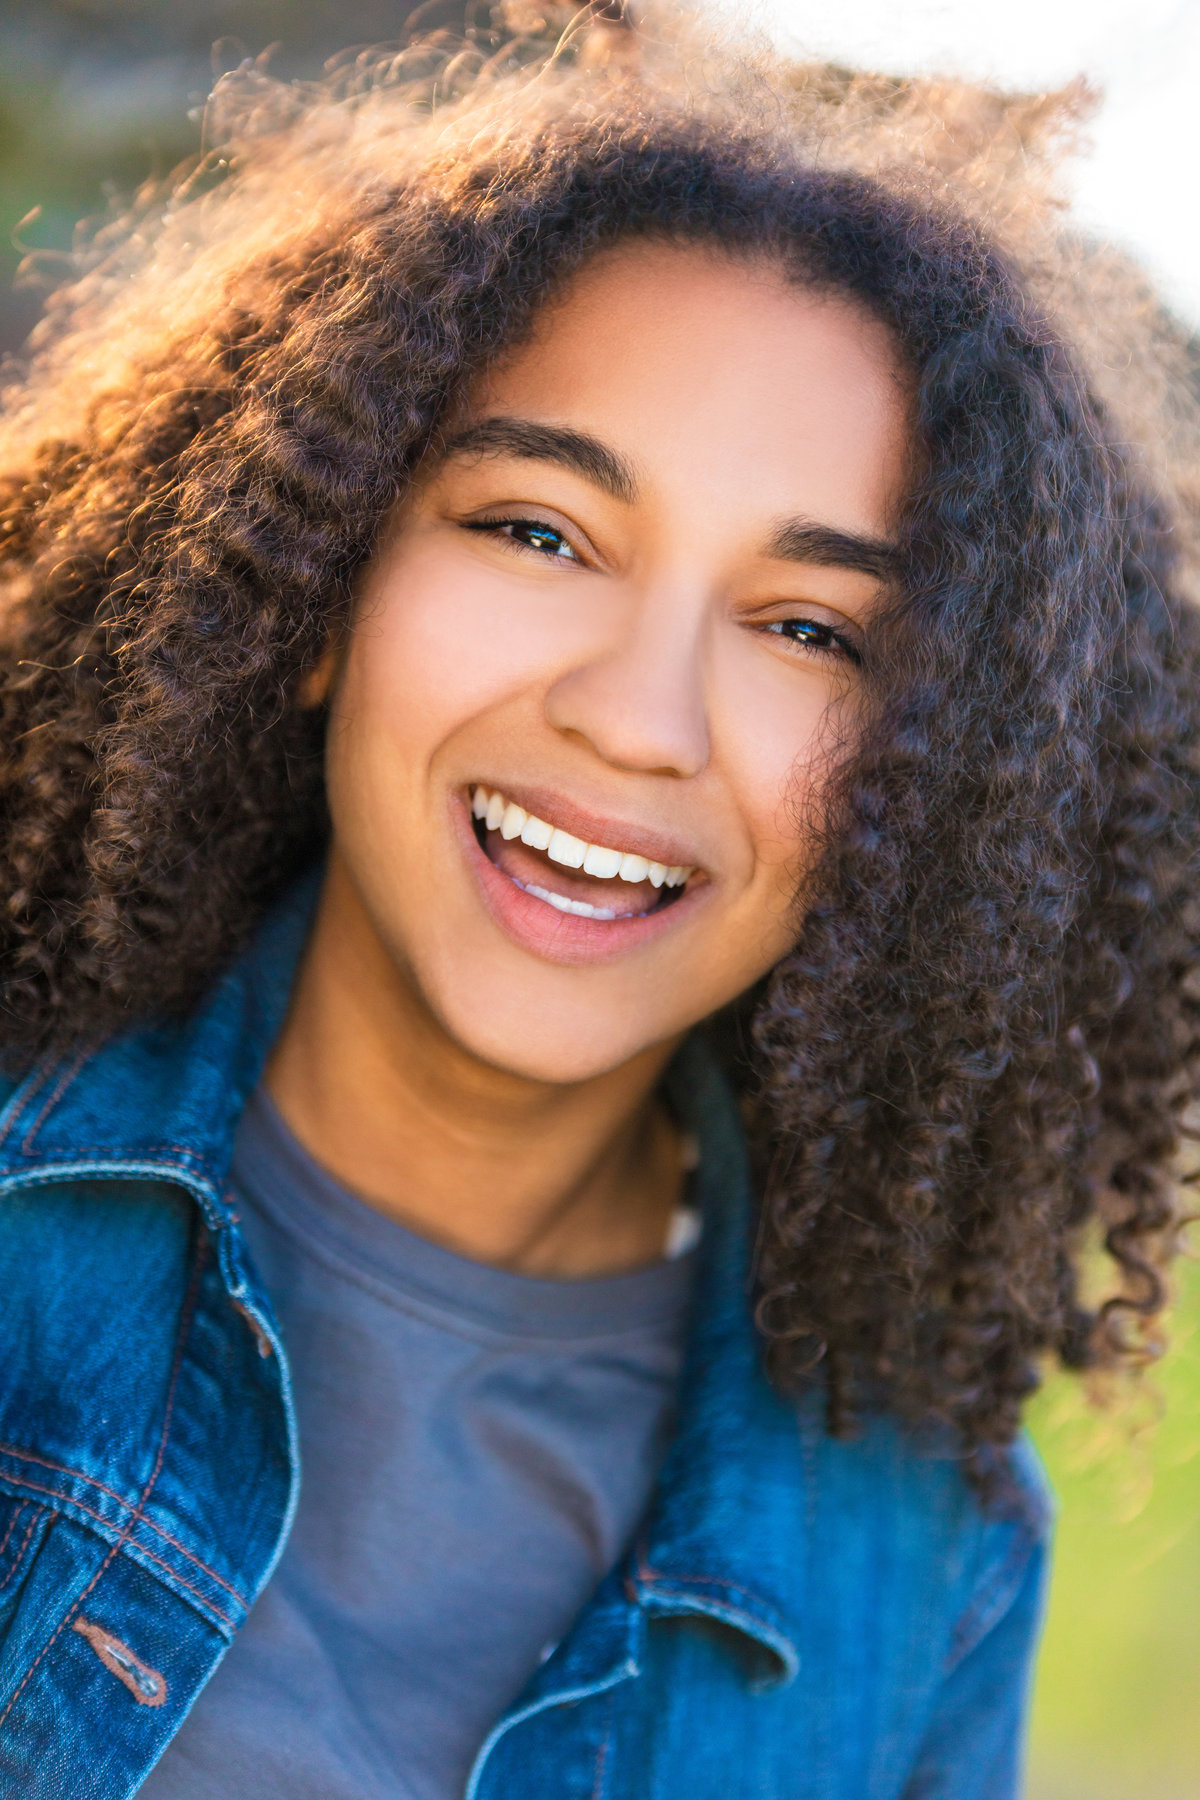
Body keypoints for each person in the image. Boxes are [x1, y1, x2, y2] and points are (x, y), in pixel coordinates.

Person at [0, 8, 1196, 1798]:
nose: (637, 720)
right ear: (317, 580)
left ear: (928, 797)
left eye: (810, 632)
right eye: (539, 532)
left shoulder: (919, 1564)